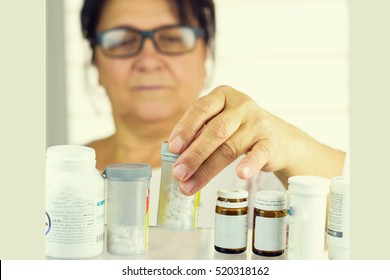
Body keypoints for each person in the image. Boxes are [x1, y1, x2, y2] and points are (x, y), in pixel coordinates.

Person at [80, 0, 345, 227]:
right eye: (123, 40)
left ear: (205, 55)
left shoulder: (257, 168)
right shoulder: (58, 174)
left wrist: (292, 146)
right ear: (95, 59)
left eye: (173, 38)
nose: (148, 61)